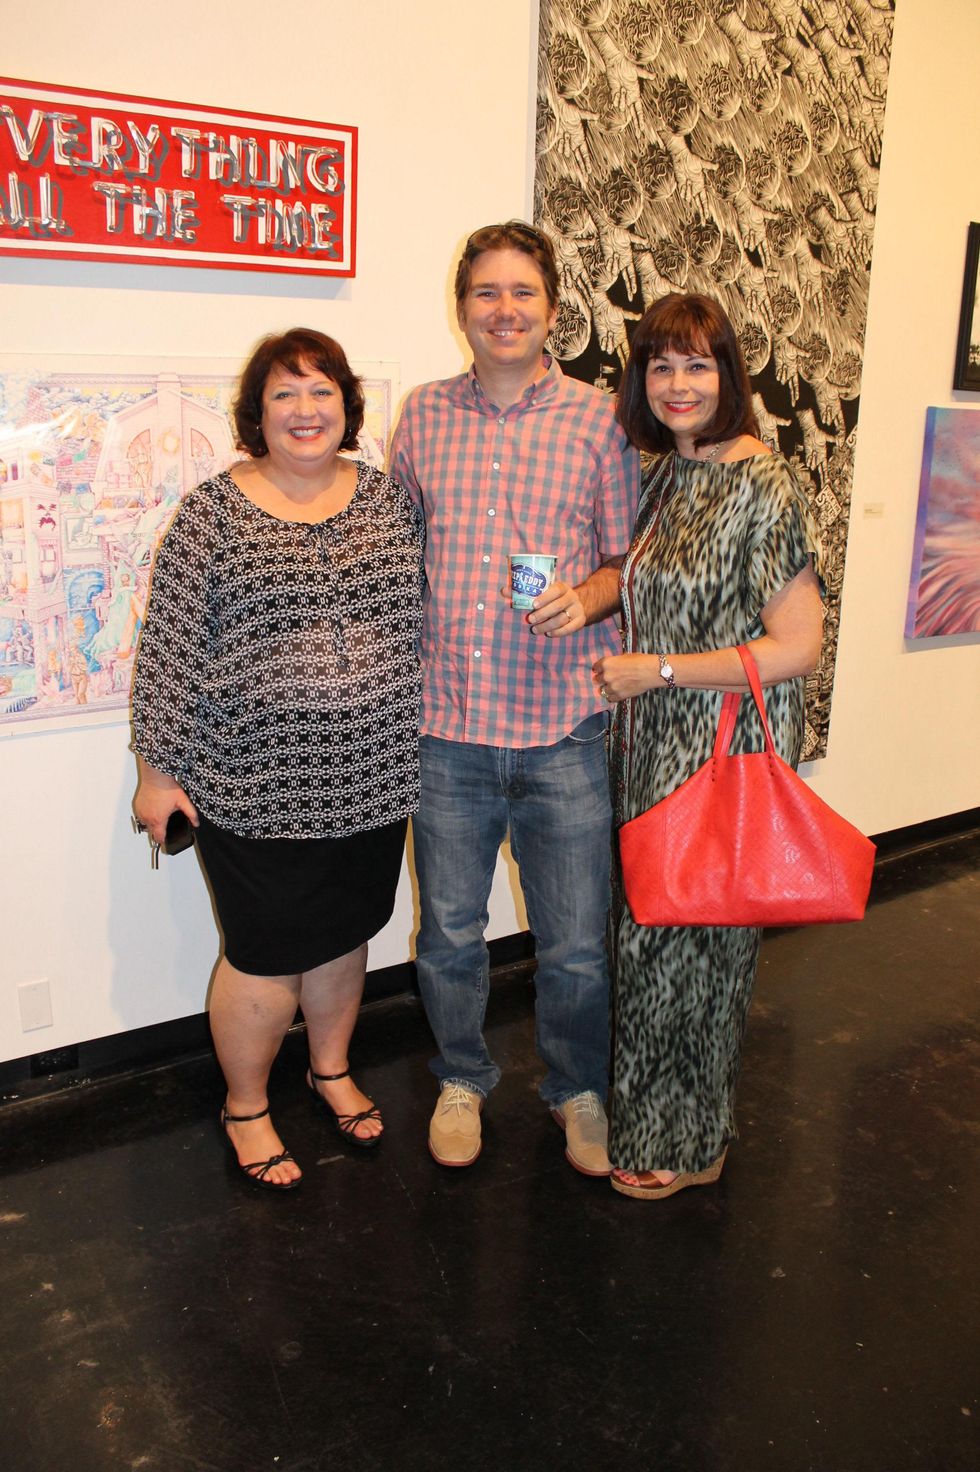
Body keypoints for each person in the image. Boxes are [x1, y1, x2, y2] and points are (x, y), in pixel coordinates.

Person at [131, 328, 424, 1190]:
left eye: (321, 391)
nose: (305, 410)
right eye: (284, 394)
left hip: (373, 777)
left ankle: (330, 1070)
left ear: (347, 406)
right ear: (257, 414)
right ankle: (247, 1106)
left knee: (345, 933)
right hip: (252, 784)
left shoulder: (386, 499)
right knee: (263, 955)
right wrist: (156, 774)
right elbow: (170, 648)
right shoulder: (213, 514)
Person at [389, 221, 640, 1173]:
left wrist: (589, 597)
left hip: (562, 727)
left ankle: (578, 1090)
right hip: (447, 728)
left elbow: (626, 559)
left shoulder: (599, 420)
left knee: (574, 943)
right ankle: (462, 1077)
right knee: (450, 935)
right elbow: (398, 552)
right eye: (486, 292)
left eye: (522, 292)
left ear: (552, 310)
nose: (504, 309)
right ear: (462, 310)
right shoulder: (422, 416)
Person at [592, 292, 824, 1200]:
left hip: (720, 750)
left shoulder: (764, 483)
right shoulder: (667, 474)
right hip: (651, 749)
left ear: (729, 375)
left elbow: (797, 645)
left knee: (703, 955)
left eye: (697, 364)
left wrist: (659, 671)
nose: (678, 384)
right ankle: (650, 1120)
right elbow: (648, 582)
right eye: (661, 365)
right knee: (648, 942)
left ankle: (693, 1141)